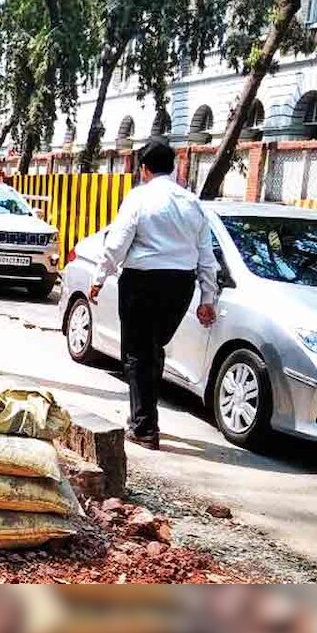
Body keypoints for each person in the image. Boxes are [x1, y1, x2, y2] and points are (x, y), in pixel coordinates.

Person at [90, 138, 218, 450]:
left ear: (144, 169)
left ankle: (144, 427)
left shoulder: (139, 198)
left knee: (137, 352)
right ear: (172, 168)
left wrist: (98, 277)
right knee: (153, 348)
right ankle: (146, 416)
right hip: (180, 286)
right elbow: (206, 256)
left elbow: (117, 243)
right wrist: (206, 299)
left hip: (142, 282)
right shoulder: (193, 204)